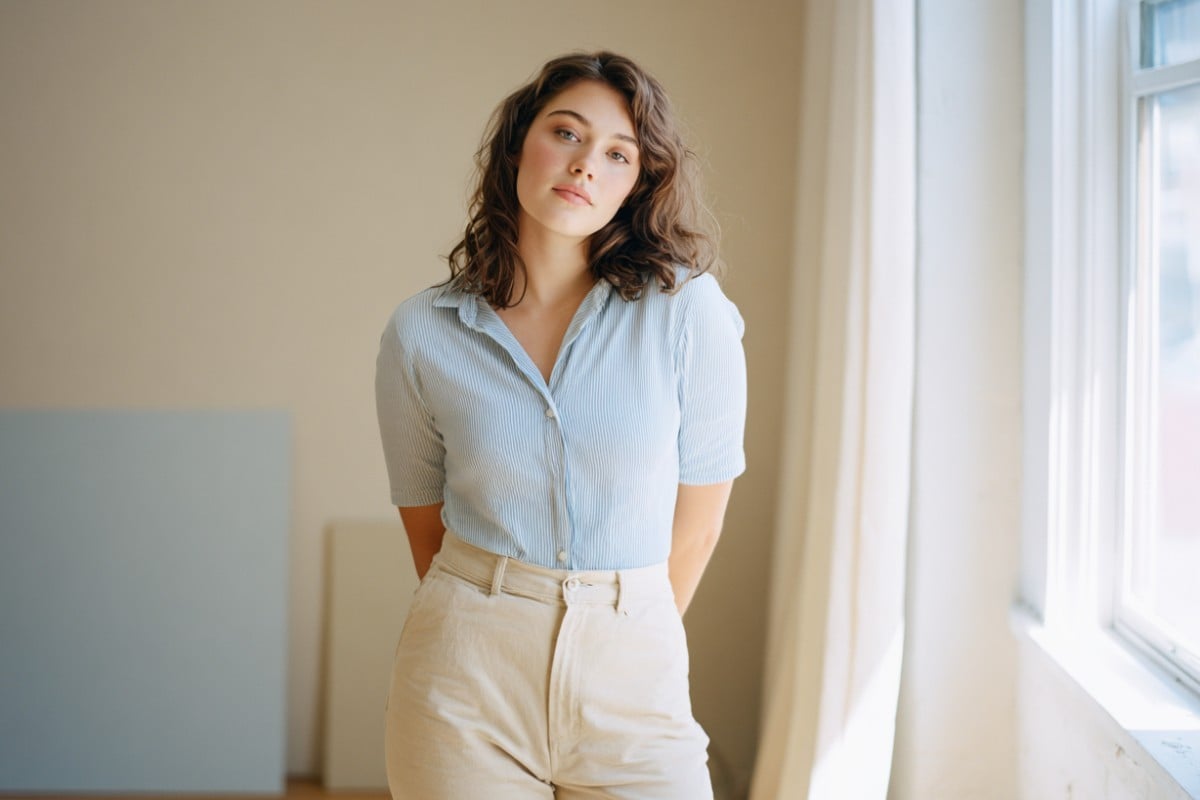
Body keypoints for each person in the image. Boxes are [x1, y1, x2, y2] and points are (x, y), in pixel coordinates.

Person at [374, 50, 747, 799]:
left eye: (617, 154)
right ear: (518, 145)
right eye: (567, 134)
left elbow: (697, 528)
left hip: (633, 676)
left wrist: (615, 640)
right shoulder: (422, 332)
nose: (585, 166)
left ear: (637, 184)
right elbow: (426, 526)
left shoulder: (687, 314)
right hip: (464, 677)